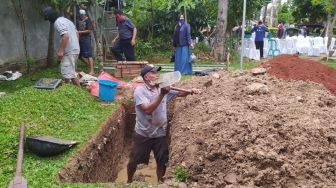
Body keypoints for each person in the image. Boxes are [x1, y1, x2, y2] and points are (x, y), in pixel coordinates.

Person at [127, 65, 200, 183]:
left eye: (157, 73)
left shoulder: (162, 88)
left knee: (162, 162)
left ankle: (160, 183)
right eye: (154, 73)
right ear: (146, 77)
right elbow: (147, 109)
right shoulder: (140, 91)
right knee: (134, 161)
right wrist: (162, 94)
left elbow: (179, 94)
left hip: (160, 134)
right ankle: (129, 181)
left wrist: (191, 91)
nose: (157, 75)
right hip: (143, 134)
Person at [42, 6, 80, 86]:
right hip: (75, 49)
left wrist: (61, 51)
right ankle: (68, 89)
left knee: (69, 72)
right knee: (70, 71)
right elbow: (77, 34)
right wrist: (75, 45)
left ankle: (76, 91)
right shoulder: (67, 20)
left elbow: (65, 36)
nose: (49, 21)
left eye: (48, 19)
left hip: (69, 50)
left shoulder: (57, 22)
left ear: (51, 17)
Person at [77, 9, 94, 75]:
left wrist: (80, 32)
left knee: (89, 55)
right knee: (79, 55)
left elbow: (89, 30)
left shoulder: (87, 20)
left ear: (84, 15)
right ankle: (89, 65)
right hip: (79, 38)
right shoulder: (78, 20)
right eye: (80, 15)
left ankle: (92, 71)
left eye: (82, 15)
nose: (81, 16)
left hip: (86, 38)